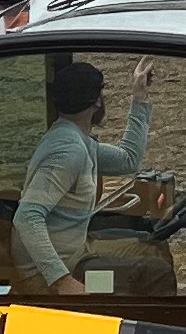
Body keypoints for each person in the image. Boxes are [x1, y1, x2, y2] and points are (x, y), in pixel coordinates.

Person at [12, 53, 154, 288]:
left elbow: (128, 161)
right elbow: (26, 217)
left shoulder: (74, 140)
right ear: (97, 100)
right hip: (52, 276)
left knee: (152, 249)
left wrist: (139, 98)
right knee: (154, 274)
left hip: (77, 253)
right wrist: (62, 280)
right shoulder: (69, 152)